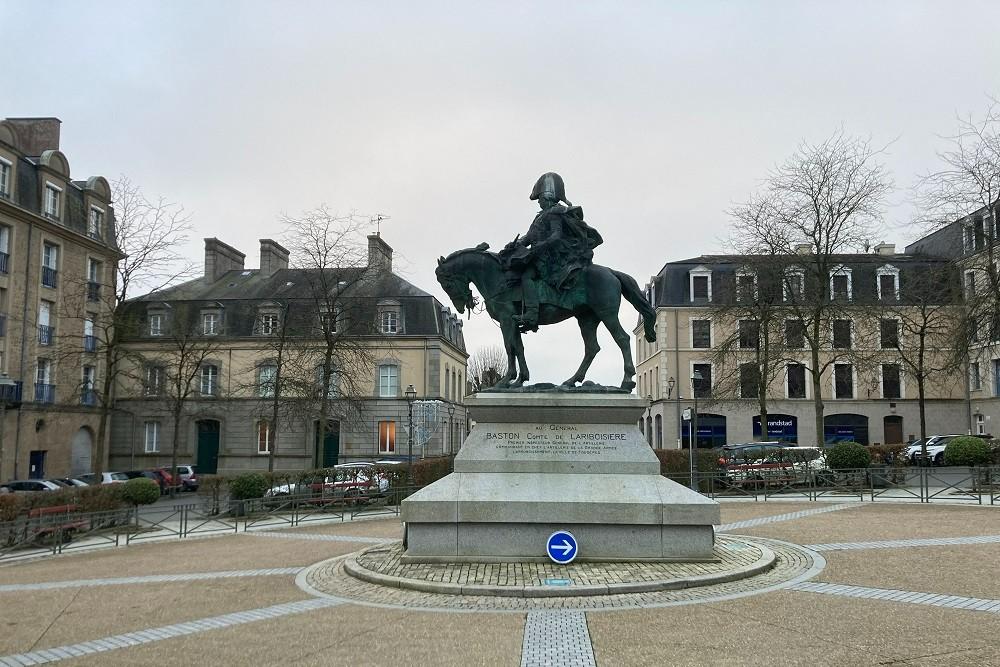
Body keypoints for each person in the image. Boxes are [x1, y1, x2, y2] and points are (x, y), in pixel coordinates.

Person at [500, 172, 603, 332]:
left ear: (548, 197)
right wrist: (515, 244)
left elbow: (556, 236)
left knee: (527, 276)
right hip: (539, 256)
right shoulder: (540, 216)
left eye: (540, 198)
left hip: (552, 259)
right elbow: (529, 237)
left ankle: (532, 314)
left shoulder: (555, 213)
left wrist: (539, 247)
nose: (539, 201)